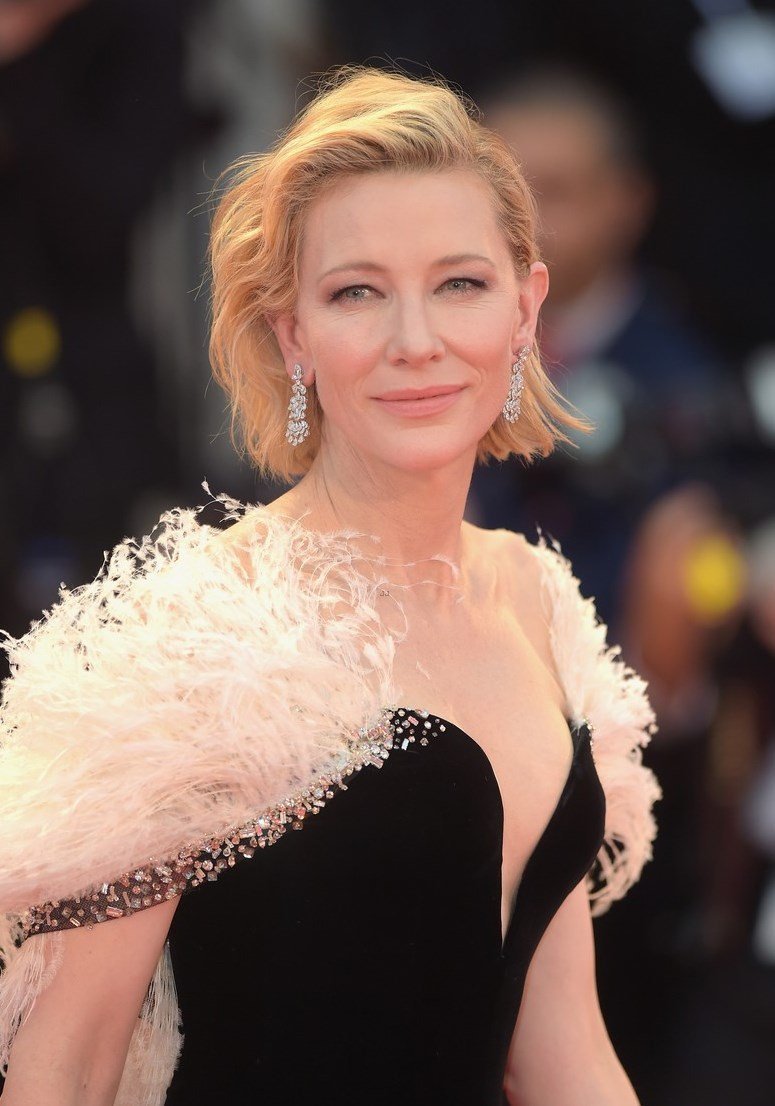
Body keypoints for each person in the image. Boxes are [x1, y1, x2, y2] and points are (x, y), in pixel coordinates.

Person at [0, 67, 659, 1106]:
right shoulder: (205, 633)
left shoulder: (534, 599)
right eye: (357, 292)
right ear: (292, 333)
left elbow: (562, 1053)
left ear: (524, 306)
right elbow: (68, 1070)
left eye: (460, 283)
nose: (415, 341)